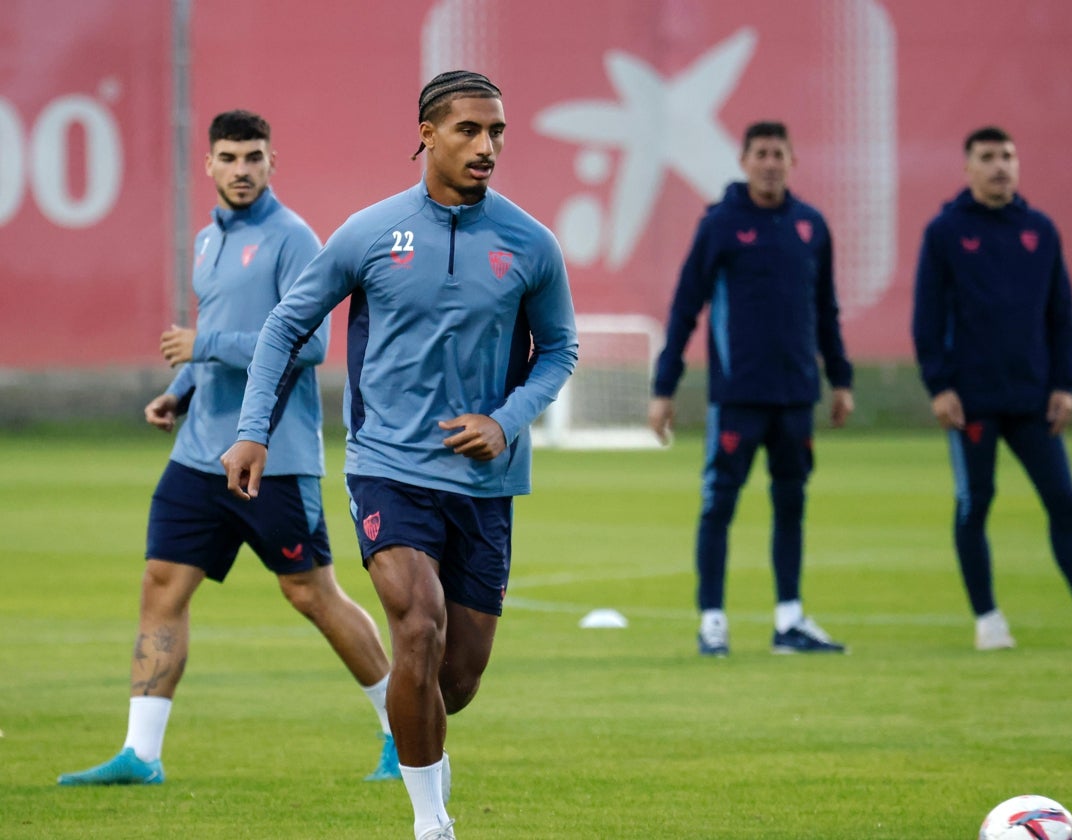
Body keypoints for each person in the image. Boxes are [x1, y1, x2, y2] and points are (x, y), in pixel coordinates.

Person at [220, 71, 577, 840]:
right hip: (388, 465)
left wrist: (507, 421)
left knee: (457, 677)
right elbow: (286, 328)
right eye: (470, 131)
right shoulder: (372, 232)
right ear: (426, 133)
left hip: (485, 480)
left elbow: (560, 350)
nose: (487, 147)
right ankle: (430, 824)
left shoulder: (530, 243)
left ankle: (423, 756)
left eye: (498, 132)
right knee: (418, 625)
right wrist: (252, 430)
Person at [58, 111, 396, 787]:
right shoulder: (207, 242)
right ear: (208, 166)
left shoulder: (295, 241)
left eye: (254, 157)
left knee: (311, 595)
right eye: (229, 158)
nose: (242, 169)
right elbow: (216, 329)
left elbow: (312, 346)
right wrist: (180, 390)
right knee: (161, 585)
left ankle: (401, 732)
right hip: (198, 452)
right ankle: (141, 754)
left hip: (275, 454)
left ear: (273, 163)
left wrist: (203, 347)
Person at [911, 125, 1072, 651]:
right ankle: (989, 620)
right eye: (988, 157)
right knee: (976, 502)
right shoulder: (946, 232)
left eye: (1008, 157)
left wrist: (1064, 384)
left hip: (1032, 396)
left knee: (1064, 499)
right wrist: (940, 384)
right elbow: (926, 317)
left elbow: (1060, 313)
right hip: (971, 399)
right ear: (967, 168)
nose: (1000, 166)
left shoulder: (1039, 231)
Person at [649, 121, 855, 658]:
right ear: (743, 161)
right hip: (737, 396)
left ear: (793, 161)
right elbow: (685, 306)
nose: (769, 162)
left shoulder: (811, 227)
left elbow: (827, 310)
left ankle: (790, 620)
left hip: (796, 396)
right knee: (719, 504)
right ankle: (712, 621)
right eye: (760, 153)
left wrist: (841, 378)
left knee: (791, 503)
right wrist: (664, 387)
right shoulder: (720, 225)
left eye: (778, 153)